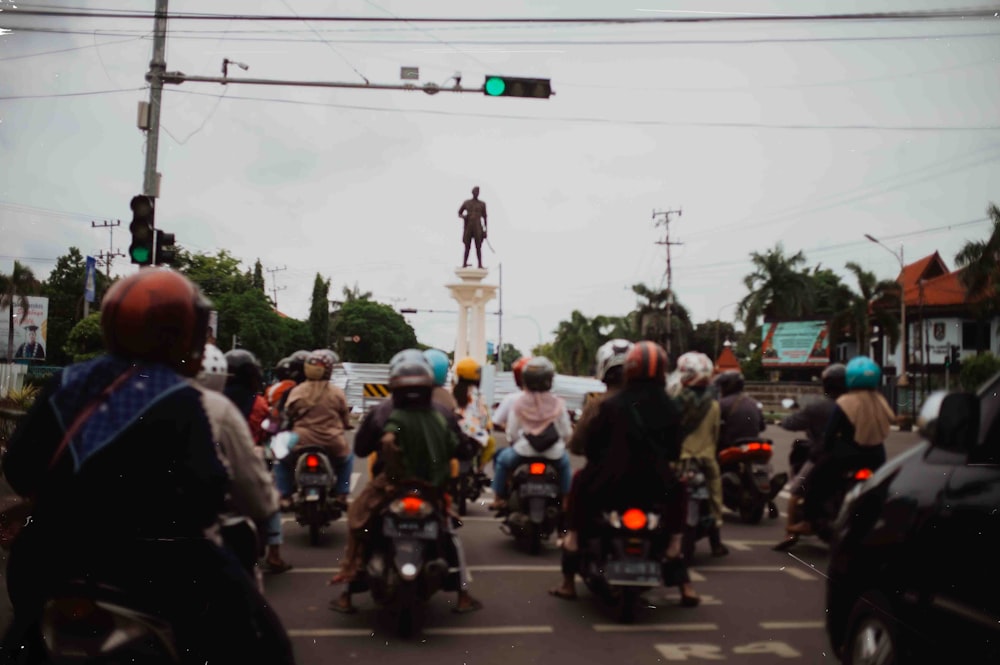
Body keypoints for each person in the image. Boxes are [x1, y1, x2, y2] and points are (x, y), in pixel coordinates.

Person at [0, 268, 295, 664]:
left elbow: (18, 465)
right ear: (179, 334)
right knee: (267, 644)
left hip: (52, 558)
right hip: (154, 570)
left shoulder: (67, 381)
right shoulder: (176, 395)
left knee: (22, 639)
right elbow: (205, 490)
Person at [328, 350, 482, 614]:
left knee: (359, 523)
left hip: (390, 487)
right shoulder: (443, 414)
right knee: (449, 533)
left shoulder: (383, 413)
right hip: (431, 490)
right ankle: (463, 595)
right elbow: (464, 450)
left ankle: (348, 589)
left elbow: (362, 449)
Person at [549, 341, 698, 606]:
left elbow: (591, 448)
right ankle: (681, 572)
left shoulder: (609, 405)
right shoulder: (671, 408)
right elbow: (674, 451)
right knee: (682, 490)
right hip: (656, 486)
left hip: (609, 485)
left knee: (579, 485)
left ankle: (568, 575)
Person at [193, 343, 289, 579]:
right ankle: (275, 551)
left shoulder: (182, 402)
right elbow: (271, 428)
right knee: (270, 495)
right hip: (247, 459)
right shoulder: (254, 403)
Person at [799, 356, 895, 531]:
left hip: (848, 454)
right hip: (876, 455)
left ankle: (808, 520)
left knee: (814, 479)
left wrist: (821, 450)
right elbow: (891, 421)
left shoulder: (846, 401)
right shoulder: (880, 400)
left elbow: (830, 433)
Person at [773, 363, 847, 550]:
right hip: (857, 456)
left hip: (825, 456)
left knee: (796, 491)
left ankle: (790, 531)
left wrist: (783, 422)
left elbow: (791, 423)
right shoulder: (857, 404)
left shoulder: (818, 406)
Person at [488, 357, 573, 511]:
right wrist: (563, 442)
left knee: (501, 461)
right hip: (553, 453)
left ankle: (498, 498)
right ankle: (566, 502)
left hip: (523, 451)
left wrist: (515, 441)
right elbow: (566, 432)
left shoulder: (519, 402)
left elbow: (512, 433)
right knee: (565, 465)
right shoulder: (558, 403)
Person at [277, 350, 354, 510]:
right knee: (347, 459)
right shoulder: (336, 392)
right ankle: (342, 494)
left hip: (299, 441)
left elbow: (287, 413)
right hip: (331, 442)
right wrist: (346, 425)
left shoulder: (296, 391)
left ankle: (284, 496)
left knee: (281, 459)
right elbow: (345, 418)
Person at [673, 351, 729, 558]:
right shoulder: (714, 405)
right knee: (714, 498)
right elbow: (715, 436)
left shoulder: (676, 401)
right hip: (706, 462)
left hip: (680, 462)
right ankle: (716, 543)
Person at [452, 356, 495, 472]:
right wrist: (487, 426)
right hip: (472, 435)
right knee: (490, 443)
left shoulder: (452, 391)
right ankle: (480, 470)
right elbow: (484, 418)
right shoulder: (477, 395)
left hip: (453, 431)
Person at [715, 370, 766, 451]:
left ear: (727, 386)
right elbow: (762, 427)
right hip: (752, 446)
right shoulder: (754, 403)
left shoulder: (722, 404)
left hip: (729, 447)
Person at [491, 355, 532, 432]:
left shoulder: (511, 399)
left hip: (518, 442)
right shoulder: (553, 400)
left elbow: (496, 422)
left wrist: (511, 429)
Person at [458, 186, 488, 268]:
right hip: (468, 227)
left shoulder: (482, 204)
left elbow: (485, 217)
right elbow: (459, 213)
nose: (476, 193)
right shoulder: (467, 202)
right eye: (475, 191)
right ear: (472, 192)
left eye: (478, 192)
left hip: (478, 227)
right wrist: (464, 217)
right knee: (467, 246)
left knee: (478, 246)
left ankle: (480, 264)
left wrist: (485, 231)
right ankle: (464, 263)